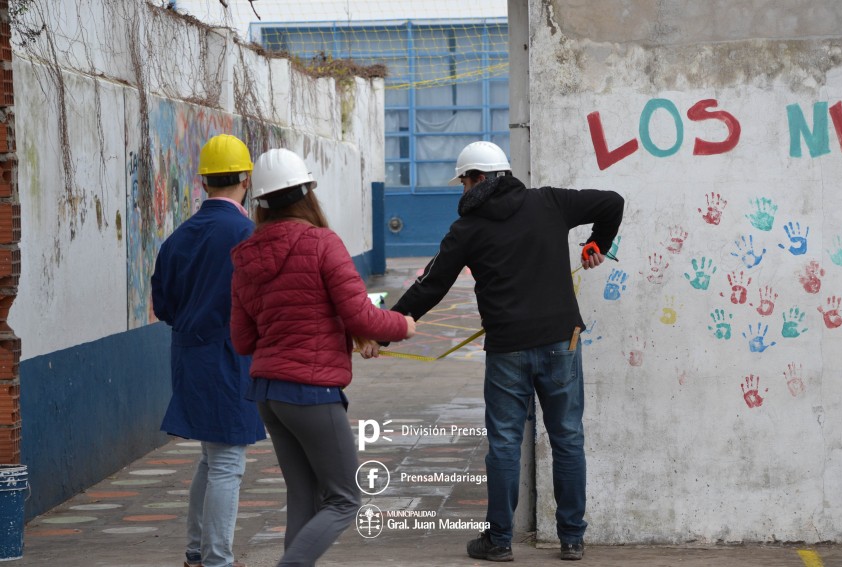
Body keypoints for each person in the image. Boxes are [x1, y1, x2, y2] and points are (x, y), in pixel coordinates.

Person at [382, 141, 624, 562]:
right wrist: (597, 244)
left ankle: (499, 541)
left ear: (476, 179)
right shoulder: (548, 202)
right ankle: (571, 539)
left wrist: (384, 329)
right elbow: (612, 203)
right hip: (561, 342)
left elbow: (431, 285)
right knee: (567, 438)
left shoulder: (467, 229)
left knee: (505, 444)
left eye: (463, 182)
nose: (462, 192)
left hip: (507, 350)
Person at [229, 148, 416, 567]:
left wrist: (351, 335)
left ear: (260, 202)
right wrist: (402, 326)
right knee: (345, 499)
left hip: (268, 394)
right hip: (311, 392)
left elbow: (243, 340)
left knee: (305, 496)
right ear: (309, 193)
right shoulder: (321, 243)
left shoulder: (246, 257)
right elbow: (359, 311)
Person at [151, 133, 266, 567]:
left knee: (210, 457)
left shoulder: (179, 237)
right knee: (227, 463)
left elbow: (163, 304)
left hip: (188, 355)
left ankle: (197, 552)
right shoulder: (246, 234)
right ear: (245, 178)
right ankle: (218, 559)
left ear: (203, 182)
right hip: (228, 358)